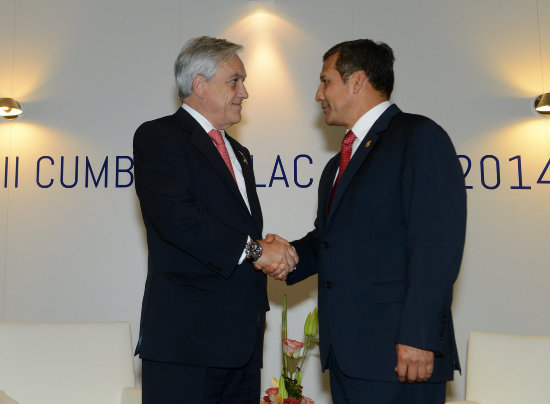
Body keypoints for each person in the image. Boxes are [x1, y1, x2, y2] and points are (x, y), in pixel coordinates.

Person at [267, 39, 467, 403]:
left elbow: (436, 244)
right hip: (348, 357)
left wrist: (418, 337)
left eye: (325, 81)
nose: (317, 94)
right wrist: (286, 255)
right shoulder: (336, 165)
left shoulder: (418, 137)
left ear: (357, 81)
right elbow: (328, 239)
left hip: (400, 354)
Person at [133, 36, 298, 404]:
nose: (245, 92)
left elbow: (235, 229)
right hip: (186, 346)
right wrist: (258, 250)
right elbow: (178, 219)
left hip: (241, 349)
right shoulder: (159, 136)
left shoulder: (238, 152)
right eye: (234, 80)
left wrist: (269, 249)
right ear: (199, 85)